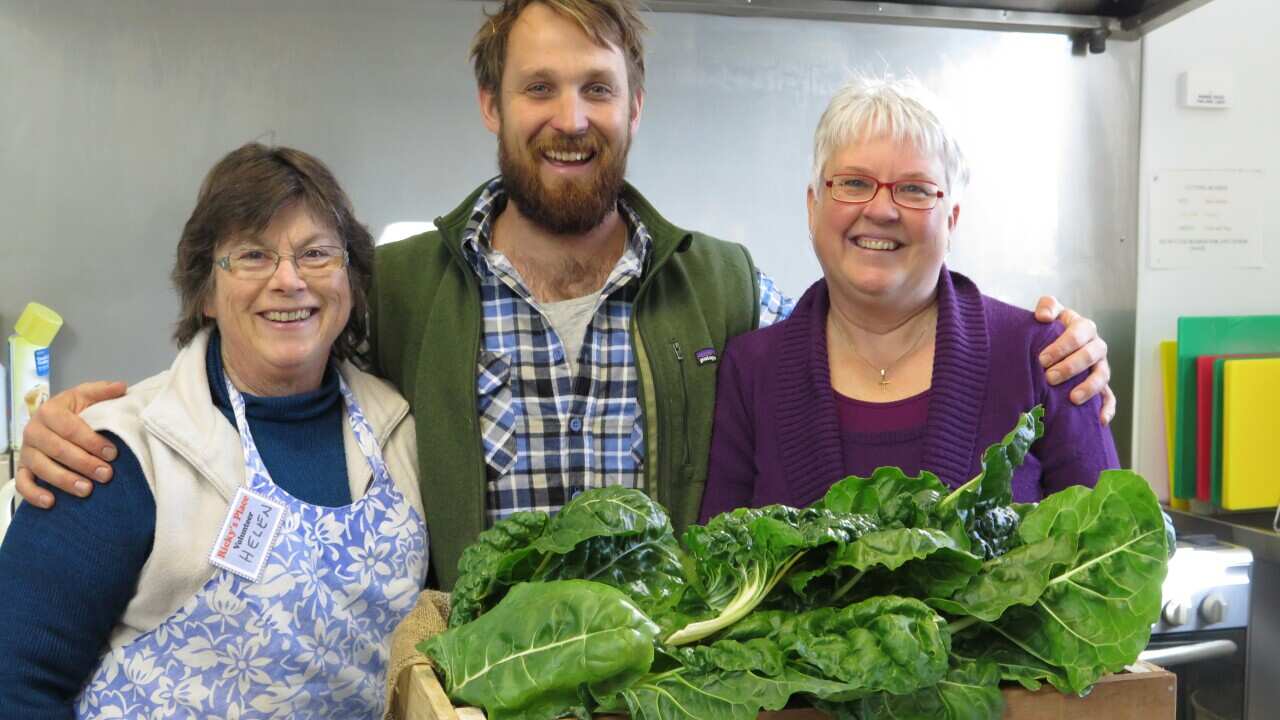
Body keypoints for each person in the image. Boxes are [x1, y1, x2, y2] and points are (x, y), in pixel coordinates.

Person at [14, 0, 1112, 589]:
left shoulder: (723, 284)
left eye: (598, 87)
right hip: (470, 691)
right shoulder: (397, 283)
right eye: (539, 87)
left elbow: (867, 326)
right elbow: (267, 363)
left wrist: (1057, 350)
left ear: (636, 108)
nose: (570, 116)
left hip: (663, 693)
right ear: (490, 104)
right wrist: (99, 425)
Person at [0, 144, 426, 718]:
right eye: (253, 255)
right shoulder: (117, 451)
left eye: (317, 253)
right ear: (204, 291)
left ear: (349, 278)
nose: (289, 280)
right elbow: (15, 680)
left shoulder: (401, 426)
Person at [699, 76, 1119, 520]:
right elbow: (717, 563)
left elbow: (1112, 551)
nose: (881, 210)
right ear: (813, 206)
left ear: (951, 220)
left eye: (915, 189)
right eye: (855, 183)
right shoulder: (752, 370)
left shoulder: (1047, 355)